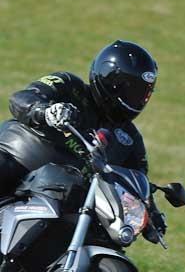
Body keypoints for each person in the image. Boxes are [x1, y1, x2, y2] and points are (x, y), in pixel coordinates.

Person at [0, 40, 157, 197]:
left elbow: (136, 182)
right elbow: (21, 98)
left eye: (144, 94)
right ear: (111, 81)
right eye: (133, 91)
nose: (138, 100)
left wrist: (152, 210)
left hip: (66, 196)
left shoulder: (129, 138)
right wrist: (46, 112)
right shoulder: (68, 85)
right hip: (17, 159)